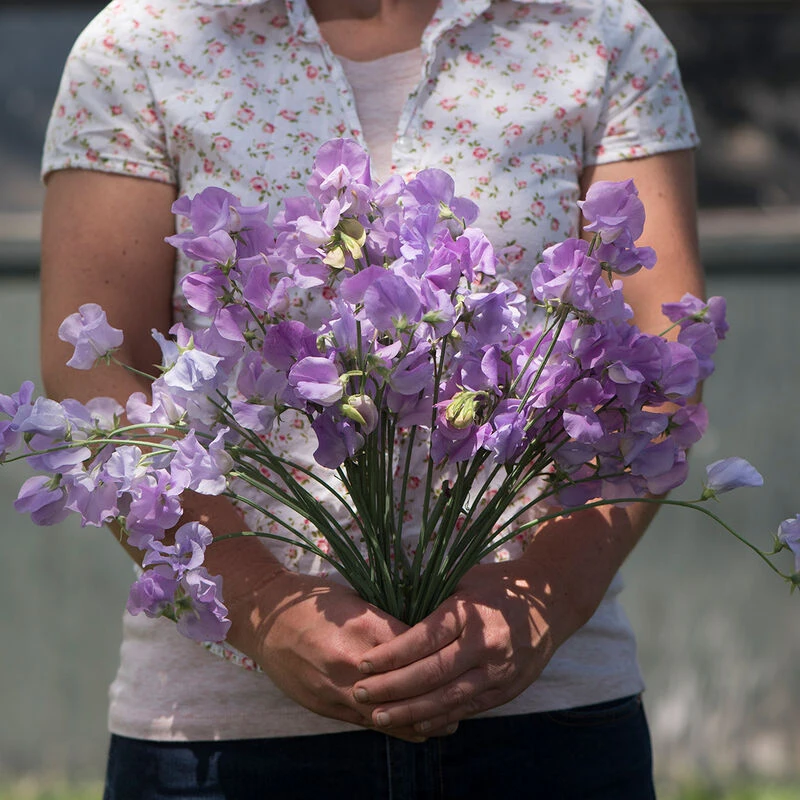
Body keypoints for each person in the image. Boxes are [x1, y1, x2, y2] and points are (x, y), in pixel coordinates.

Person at [39, 0, 704, 796]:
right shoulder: (144, 41)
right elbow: (97, 378)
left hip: (542, 712)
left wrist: (544, 599)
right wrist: (263, 607)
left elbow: (665, 363)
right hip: (227, 728)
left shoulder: (595, 31)